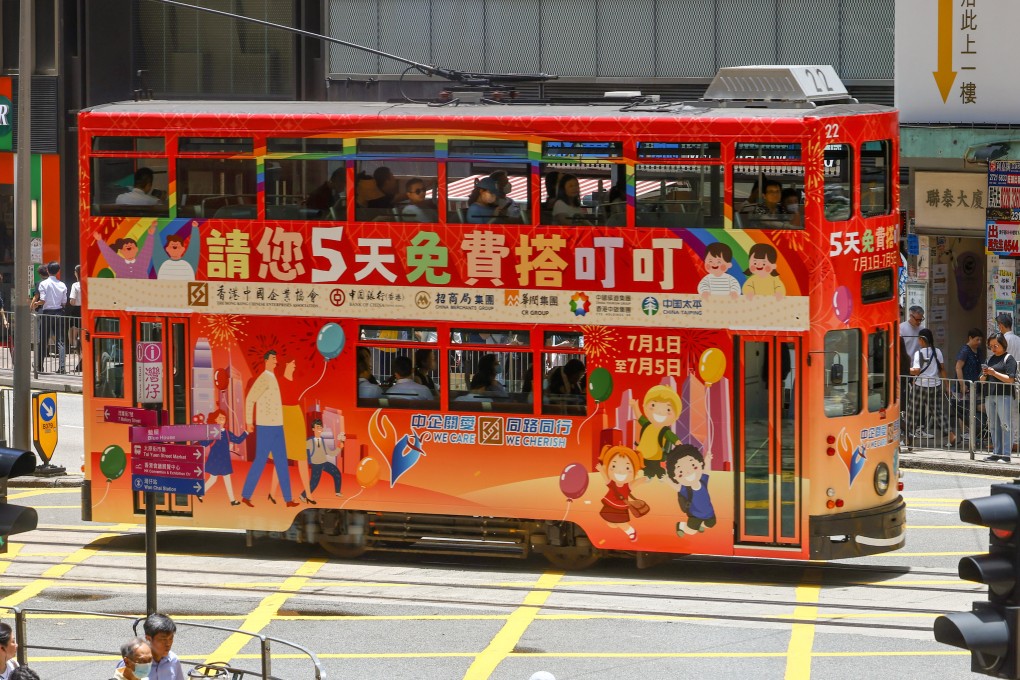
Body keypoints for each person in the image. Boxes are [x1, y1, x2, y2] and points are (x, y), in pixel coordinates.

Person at [240, 350, 298, 508]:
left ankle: (288, 499)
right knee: (260, 461)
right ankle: (246, 495)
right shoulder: (263, 379)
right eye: (273, 358)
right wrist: (248, 422)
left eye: (276, 359)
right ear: (266, 360)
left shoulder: (273, 379)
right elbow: (250, 399)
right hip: (266, 427)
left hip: (277, 427)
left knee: (281, 462)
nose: (276, 361)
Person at [595, 445, 650, 542]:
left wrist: (645, 479)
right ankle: (627, 529)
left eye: (627, 468)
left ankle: (630, 531)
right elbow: (606, 478)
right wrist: (601, 470)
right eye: (613, 466)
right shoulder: (612, 483)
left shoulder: (627, 486)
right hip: (610, 505)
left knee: (619, 522)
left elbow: (636, 482)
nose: (620, 471)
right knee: (610, 522)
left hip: (620, 507)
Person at [909, 328, 949, 444]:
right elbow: (942, 370)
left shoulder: (919, 353)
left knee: (913, 413)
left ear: (921, 339)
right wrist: (946, 386)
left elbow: (916, 371)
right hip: (935, 386)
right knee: (939, 413)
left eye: (918, 339)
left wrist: (903, 369)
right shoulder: (937, 352)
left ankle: (908, 438)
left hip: (920, 386)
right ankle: (951, 436)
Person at [981, 332, 1017, 463]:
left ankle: (1006, 454)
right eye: (990, 346)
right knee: (993, 425)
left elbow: (1011, 379)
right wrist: (985, 374)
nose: (993, 348)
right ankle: (997, 452)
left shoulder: (1009, 358)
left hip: (1004, 395)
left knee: (1005, 424)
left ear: (1003, 344)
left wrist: (994, 373)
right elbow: (981, 380)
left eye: (995, 345)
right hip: (990, 395)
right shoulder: (989, 359)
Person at [199, 409, 247, 506]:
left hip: (224, 460)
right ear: (215, 420)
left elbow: (238, 440)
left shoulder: (227, 433)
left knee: (224, 478)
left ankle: (232, 500)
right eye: (220, 417)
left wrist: (246, 432)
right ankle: (201, 493)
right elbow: (203, 443)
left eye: (224, 417)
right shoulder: (213, 432)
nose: (222, 419)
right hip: (215, 460)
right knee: (213, 479)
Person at [34, 261, 68, 374]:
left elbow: (43, 300)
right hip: (59, 313)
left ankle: (39, 367)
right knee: (60, 341)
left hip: (47, 313)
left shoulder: (44, 284)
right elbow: (64, 302)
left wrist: (36, 304)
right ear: (58, 271)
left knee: (43, 340)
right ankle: (62, 368)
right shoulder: (62, 285)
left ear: (47, 270)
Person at [955, 328, 985, 445]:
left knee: (975, 408)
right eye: (977, 339)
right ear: (970, 338)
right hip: (965, 387)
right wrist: (962, 384)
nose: (979, 342)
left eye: (980, 340)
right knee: (963, 409)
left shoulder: (979, 351)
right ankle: (964, 433)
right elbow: (958, 367)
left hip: (975, 386)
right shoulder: (965, 351)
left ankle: (974, 432)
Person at [306, 418, 342, 498]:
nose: (319, 429)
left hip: (324, 463)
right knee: (314, 483)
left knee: (337, 473)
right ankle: (303, 496)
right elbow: (301, 449)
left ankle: (337, 492)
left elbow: (331, 453)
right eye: (317, 427)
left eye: (320, 427)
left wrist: (339, 447)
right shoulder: (309, 441)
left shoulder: (322, 441)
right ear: (313, 429)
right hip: (316, 464)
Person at [142, 612, 184, 679]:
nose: (168, 644)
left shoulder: (174, 660)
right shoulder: (134, 663)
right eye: (163, 639)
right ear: (148, 639)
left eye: (171, 638)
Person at [68, 264, 82, 370]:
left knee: (73, 335)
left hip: (76, 311)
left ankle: (78, 355)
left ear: (76, 273)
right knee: (83, 336)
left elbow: (72, 301)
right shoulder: (88, 283)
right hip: (85, 311)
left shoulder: (75, 285)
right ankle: (83, 359)